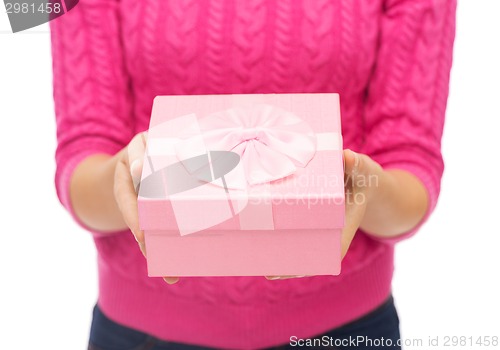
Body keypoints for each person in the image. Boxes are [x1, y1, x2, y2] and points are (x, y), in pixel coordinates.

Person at [49, 0, 456, 349]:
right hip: (142, 332)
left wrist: (364, 184)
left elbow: (411, 169)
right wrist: (124, 176)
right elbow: (82, 159)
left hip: (349, 328)